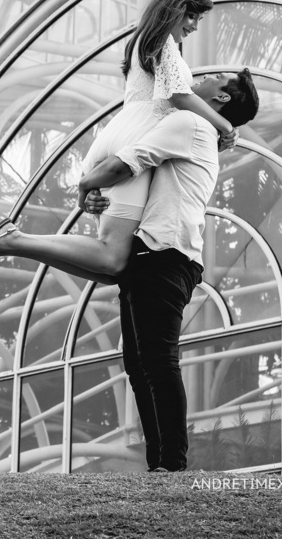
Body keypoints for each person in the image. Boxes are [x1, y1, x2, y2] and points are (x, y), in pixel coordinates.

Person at [0, 0, 235, 279]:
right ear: (176, 8)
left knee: (113, 270)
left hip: (121, 135)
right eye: (192, 16)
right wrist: (225, 125)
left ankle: (16, 243)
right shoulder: (163, 42)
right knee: (112, 257)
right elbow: (179, 95)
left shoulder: (149, 41)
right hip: (134, 139)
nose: (194, 26)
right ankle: (13, 240)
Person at [81, 69, 259, 471]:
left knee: (157, 360)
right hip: (158, 252)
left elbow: (130, 160)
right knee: (139, 363)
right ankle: (160, 463)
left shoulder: (191, 122)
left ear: (224, 98)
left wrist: (85, 186)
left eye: (217, 77)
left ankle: (172, 463)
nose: (204, 75)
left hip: (164, 252)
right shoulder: (197, 123)